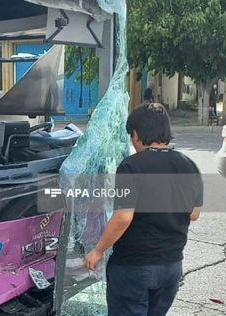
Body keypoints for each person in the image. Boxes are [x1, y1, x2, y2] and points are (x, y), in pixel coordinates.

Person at [84, 102, 203, 316]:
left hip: (134, 267)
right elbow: (194, 213)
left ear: (137, 134)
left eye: (131, 136)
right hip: (172, 266)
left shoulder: (131, 166)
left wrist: (98, 250)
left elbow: (123, 217)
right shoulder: (188, 165)